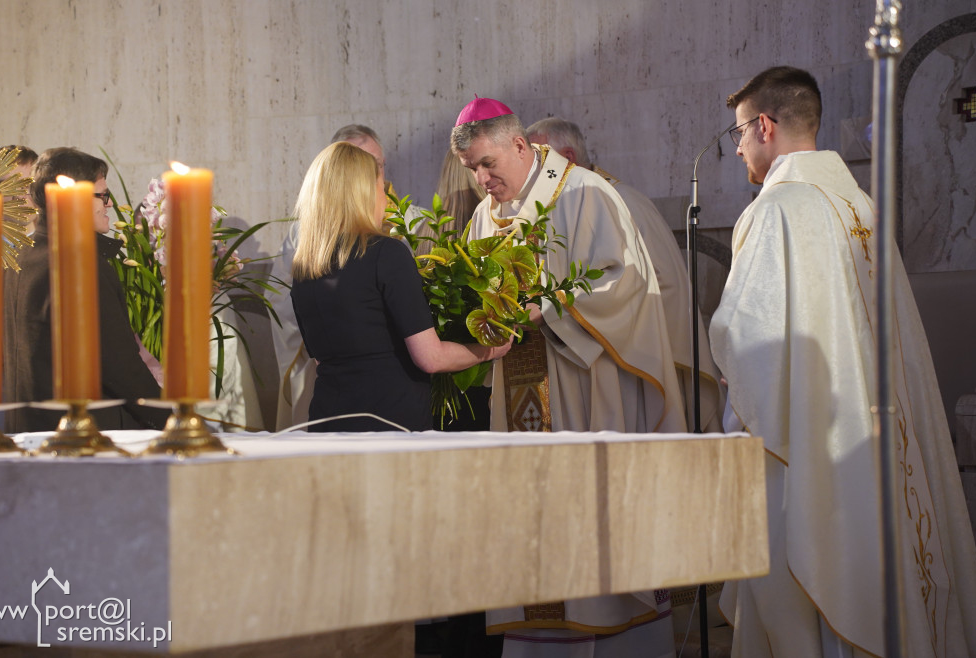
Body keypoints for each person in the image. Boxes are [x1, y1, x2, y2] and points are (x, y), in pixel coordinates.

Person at [710, 66, 976, 657]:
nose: (738, 149)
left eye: (739, 133)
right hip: (877, 438)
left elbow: (748, 340)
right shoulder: (860, 205)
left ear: (764, 126)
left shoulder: (775, 210)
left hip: (808, 442)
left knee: (804, 570)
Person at [452, 98, 683, 657]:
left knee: (592, 517)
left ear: (520, 146)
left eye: (487, 164)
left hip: (587, 385)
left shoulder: (584, 193)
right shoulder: (485, 214)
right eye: (472, 170)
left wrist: (548, 309)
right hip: (521, 389)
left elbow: (623, 281)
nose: (482, 180)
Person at [288, 141, 510, 433]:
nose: (385, 197)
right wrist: (490, 350)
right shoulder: (385, 253)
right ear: (364, 192)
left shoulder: (304, 267)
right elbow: (430, 358)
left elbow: (321, 359)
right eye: (381, 187)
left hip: (328, 420)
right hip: (389, 421)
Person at [526, 117, 723, 434]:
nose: (534, 171)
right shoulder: (565, 205)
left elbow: (648, 283)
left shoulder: (617, 199)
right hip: (601, 353)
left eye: (541, 159)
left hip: (633, 359)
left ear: (568, 157)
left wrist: (557, 306)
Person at [3, 147, 169, 433]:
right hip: (85, 436)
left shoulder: (16, 258)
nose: (109, 204)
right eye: (102, 195)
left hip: (27, 431)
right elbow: (119, 365)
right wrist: (172, 419)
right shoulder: (82, 264)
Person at [269, 124, 416, 430]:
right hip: (342, 374)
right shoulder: (304, 234)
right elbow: (284, 298)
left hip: (393, 376)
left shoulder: (412, 219)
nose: (370, 173)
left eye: (377, 165)